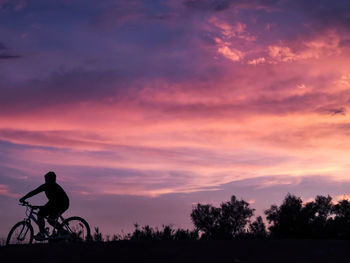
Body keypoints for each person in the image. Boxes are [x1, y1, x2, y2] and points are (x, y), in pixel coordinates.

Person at [19, 171, 70, 240]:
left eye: (47, 179)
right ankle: (63, 231)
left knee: (40, 214)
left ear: (51, 179)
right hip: (58, 204)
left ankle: (42, 233)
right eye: (45, 179)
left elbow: (54, 202)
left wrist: (41, 207)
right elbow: (34, 192)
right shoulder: (46, 186)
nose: (45, 181)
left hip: (62, 204)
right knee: (50, 220)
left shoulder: (55, 187)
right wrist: (23, 198)